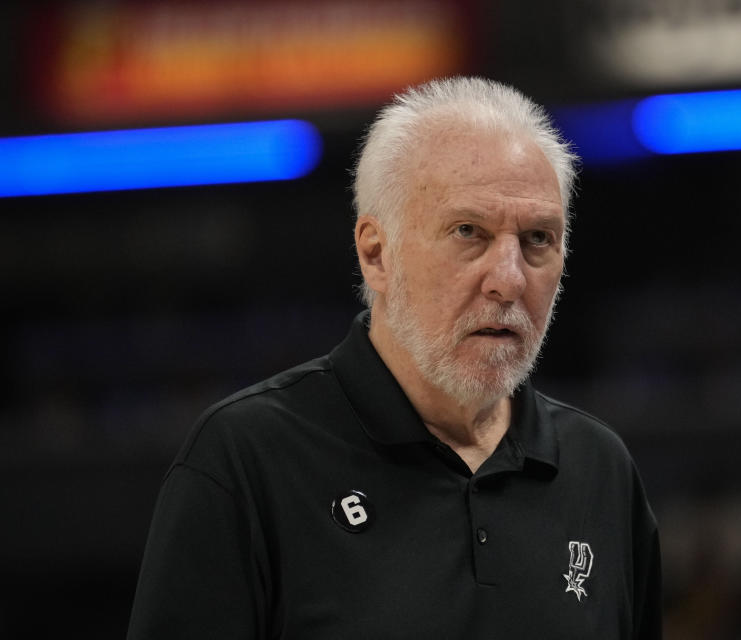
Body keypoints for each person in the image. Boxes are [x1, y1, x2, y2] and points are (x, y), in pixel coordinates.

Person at [127, 76, 661, 639]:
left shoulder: (600, 469)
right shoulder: (247, 458)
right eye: (468, 231)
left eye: (537, 239)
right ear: (376, 254)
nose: (508, 279)